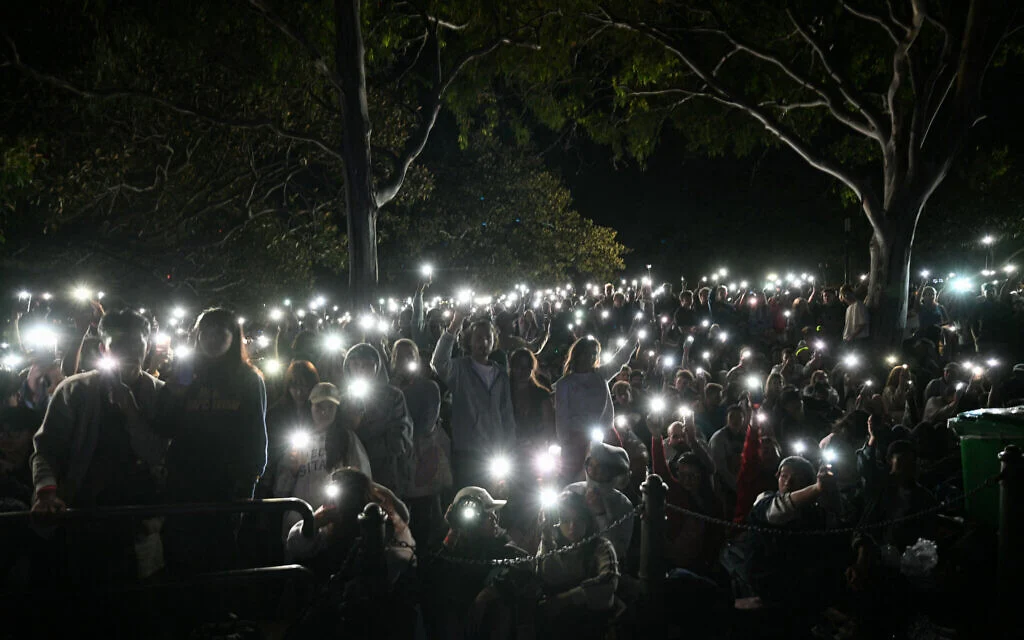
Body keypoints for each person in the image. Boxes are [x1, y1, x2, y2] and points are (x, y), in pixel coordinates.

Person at [31, 309, 168, 582]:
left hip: (140, 515)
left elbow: (159, 454)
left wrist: (129, 410)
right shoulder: (75, 390)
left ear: (148, 346)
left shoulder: (160, 394)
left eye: (136, 344)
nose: (128, 352)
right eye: (119, 345)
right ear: (104, 348)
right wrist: (46, 491)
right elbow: (47, 448)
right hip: (83, 511)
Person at [158, 307, 268, 573]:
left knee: (220, 554)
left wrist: (248, 482)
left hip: (226, 485)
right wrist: (172, 394)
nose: (213, 338)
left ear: (233, 337)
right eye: (206, 332)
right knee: (181, 552)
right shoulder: (185, 373)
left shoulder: (248, 379)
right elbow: (164, 427)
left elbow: (255, 433)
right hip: (185, 481)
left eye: (221, 332)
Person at [286, 468, 418, 638]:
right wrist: (314, 522)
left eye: (351, 492)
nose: (347, 501)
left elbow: (400, 561)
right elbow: (296, 544)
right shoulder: (331, 518)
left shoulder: (385, 523)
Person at [423, 486, 528, 639]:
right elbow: (431, 575)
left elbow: (523, 565)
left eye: (494, 512)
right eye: (487, 515)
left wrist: (488, 593)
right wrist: (453, 529)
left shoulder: (499, 541)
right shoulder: (451, 543)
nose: (494, 518)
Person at [431, 309, 517, 489]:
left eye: (488, 337)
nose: (483, 342)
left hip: (495, 450)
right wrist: (454, 325)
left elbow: (506, 412)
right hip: (467, 450)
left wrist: (509, 445)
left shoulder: (500, 373)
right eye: (478, 338)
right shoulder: (459, 369)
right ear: (469, 341)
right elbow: (438, 362)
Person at [275, 382, 370, 542]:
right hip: (300, 517)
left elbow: (364, 478)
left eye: (330, 407)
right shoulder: (298, 440)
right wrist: (292, 471)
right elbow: (280, 491)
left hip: (335, 518)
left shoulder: (347, 439)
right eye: (319, 406)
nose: (324, 412)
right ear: (310, 407)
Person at [331, 343, 413, 497]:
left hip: (386, 474)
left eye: (367, 365)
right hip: (352, 474)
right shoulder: (341, 400)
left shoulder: (393, 396)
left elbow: (401, 437)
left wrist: (369, 446)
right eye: (356, 365)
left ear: (377, 367)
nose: (361, 370)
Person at [536, 491, 620, 635]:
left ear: (587, 520)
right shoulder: (551, 543)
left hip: (590, 623)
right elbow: (548, 576)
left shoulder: (601, 545)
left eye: (578, 519)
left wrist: (565, 599)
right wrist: (547, 536)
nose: (572, 526)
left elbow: (609, 581)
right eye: (566, 520)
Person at [554, 335, 635, 484]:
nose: (591, 357)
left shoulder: (601, 375)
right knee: (577, 482)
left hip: (605, 436)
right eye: (587, 352)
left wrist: (634, 333)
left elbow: (621, 358)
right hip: (576, 440)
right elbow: (561, 417)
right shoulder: (565, 384)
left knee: (608, 481)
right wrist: (565, 443)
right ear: (578, 354)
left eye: (594, 353)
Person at [390, 338, 447, 547]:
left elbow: (426, 425)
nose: (405, 361)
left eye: (409, 356)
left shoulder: (429, 387)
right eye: (399, 356)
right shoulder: (388, 389)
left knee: (425, 512)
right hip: (398, 463)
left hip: (421, 458)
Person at [564, 442, 634, 562]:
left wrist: (600, 513)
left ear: (613, 473)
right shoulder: (572, 490)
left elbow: (618, 552)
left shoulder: (623, 505)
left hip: (599, 567)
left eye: (601, 468)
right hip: (567, 561)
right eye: (591, 465)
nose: (594, 471)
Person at [509, 348, 555, 448]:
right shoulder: (504, 394)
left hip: (536, 450)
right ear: (512, 368)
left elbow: (549, 424)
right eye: (518, 366)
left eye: (527, 367)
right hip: (510, 449)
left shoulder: (542, 395)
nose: (523, 371)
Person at [708, 405, 747, 514]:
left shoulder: (745, 436)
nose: (736, 420)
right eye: (732, 417)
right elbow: (719, 468)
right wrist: (736, 485)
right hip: (723, 485)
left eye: (739, 417)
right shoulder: (719, 438)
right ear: (727, 419)